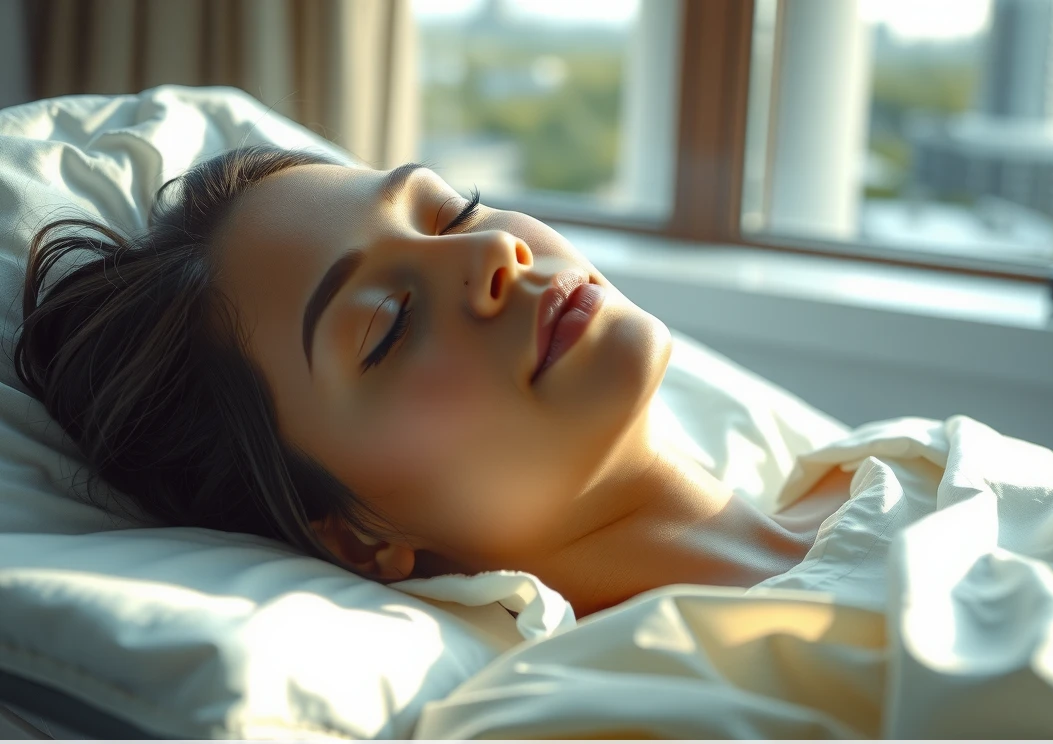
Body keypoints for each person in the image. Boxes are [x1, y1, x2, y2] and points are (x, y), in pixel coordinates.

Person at [14, 145, 851, 617]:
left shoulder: (890, 468)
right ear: (353, 535)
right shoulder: (626, 732)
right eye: (389, 326)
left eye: (455, 212)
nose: (493, 253)